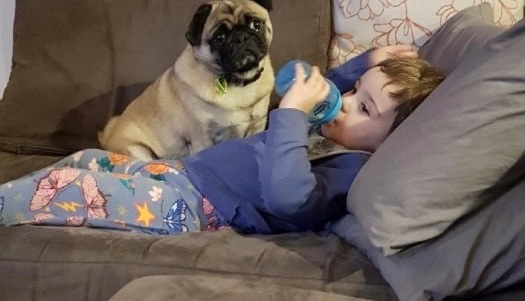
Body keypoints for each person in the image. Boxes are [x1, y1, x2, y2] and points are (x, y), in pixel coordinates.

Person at [0, 44, 444, 235]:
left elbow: (291, 198)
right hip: (180, 174)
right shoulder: (329, 129)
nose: (345, 103)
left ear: (391, 144)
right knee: (88, 160)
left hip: (196, 206)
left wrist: (290, 114)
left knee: (72, 190)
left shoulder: (353, 168)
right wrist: (362, 66)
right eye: (353, 94)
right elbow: (326, 90)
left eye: (364, 108)